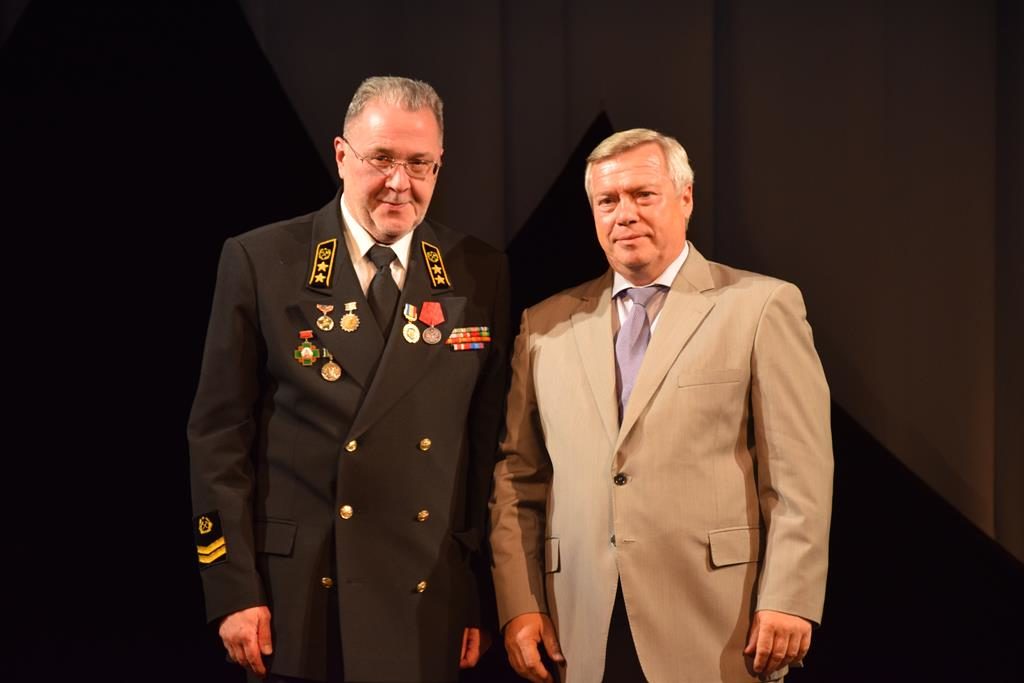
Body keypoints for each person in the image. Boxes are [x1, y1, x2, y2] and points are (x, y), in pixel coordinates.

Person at [188, 76, 509, 683]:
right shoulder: (263, 261)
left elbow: (484, 445)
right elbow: (218, 438)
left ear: (439, 165)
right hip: (298, 600)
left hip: (426, 596)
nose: (399, 182)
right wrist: (233, 588)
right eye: (381, 158)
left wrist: (478, 594)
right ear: (341, 156)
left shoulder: (479, 271)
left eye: (419, 163)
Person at [489, 128, 833, 682]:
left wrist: (789, 595)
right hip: (582, 623)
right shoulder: (544, 325)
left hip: (717, 621)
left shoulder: (761, 306)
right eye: (607, 201)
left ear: (685, 198)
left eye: (643, 195)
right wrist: (520, 604)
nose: (624, 214)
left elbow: (799, 472)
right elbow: (518, 477)